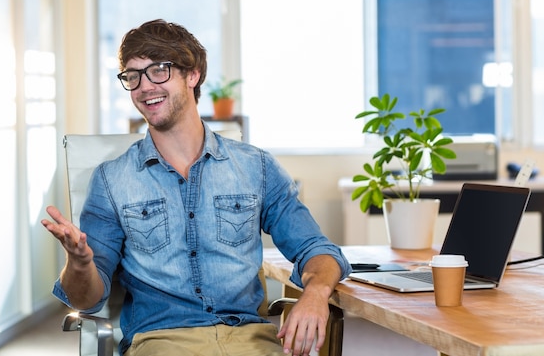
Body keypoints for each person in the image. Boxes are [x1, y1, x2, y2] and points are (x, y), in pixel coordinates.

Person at [42, 19, 351, 356]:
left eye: (159, 70)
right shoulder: (111, 180)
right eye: (133, 76)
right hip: (161, 342)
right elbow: (85, 299)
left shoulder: (255, 167)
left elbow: (317, 249)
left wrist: (316, 294)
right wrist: (81, 264)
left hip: (250, 342)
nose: (144, 87)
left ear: (193, 75)